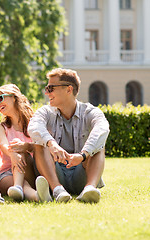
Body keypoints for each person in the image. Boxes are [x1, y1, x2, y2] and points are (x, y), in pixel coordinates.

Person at [28, 68, 110, 203]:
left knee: (99, 145)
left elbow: (102, 129)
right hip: (54, 172)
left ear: (69, 89)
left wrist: (83, 155)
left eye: (51, 88)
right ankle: (57, 191)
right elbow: (34, 127)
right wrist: (51, 144)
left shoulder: (91, 112)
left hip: (81, 172)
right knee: (40, 144)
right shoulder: (45, 112)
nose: (46, 92)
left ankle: (89, 189)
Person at [0, 84, 52, 202]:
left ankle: (19, 188)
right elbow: (4, 146)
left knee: (18, 146)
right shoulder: (1, 127)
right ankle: (37, 196)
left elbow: (46, 144)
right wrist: (13, 155)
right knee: (19, 184)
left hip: (32, 170)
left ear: (14, 97)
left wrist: (23, 148)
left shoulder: (35, 122)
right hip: (7, 173)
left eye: (0, 98)